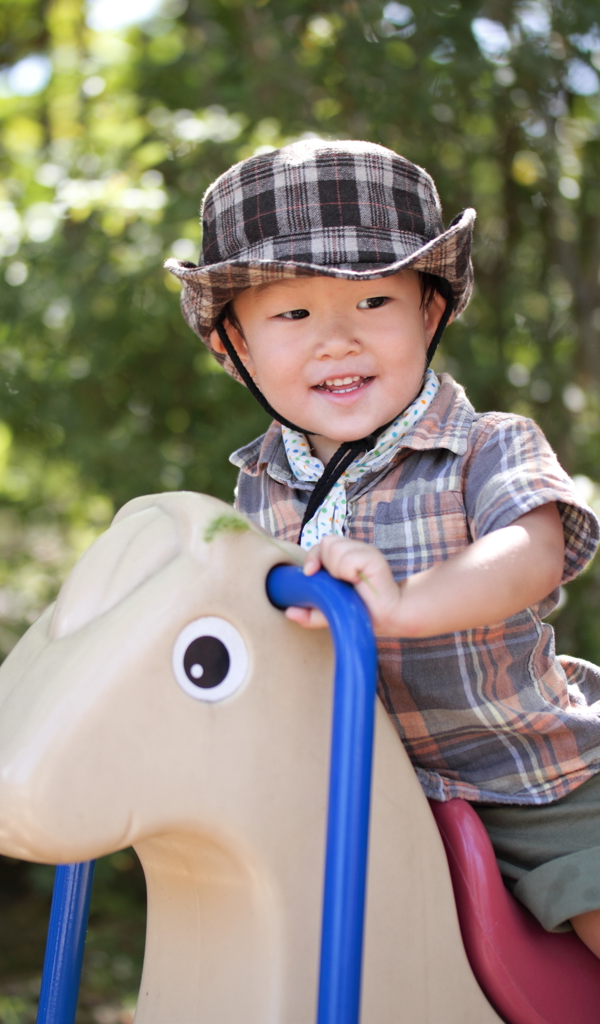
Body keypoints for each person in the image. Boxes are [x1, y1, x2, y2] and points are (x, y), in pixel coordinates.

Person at [165, 139, 600, 955]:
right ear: (235, 347)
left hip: (533, 780)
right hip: (354, 793)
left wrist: (403, 604)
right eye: (293, 314)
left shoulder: (486, 446)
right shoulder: (257, 489)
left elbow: (533, 551)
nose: (337, 339)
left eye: (373, 304)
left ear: (429, 314)